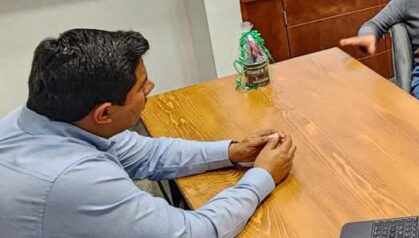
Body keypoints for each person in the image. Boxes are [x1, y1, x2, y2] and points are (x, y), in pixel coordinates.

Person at [0, 29, 296, 238]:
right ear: (104, 113)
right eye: (142, 87)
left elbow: (147, 153)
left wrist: (231, 151)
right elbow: (193, 233)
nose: (151, 88)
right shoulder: (75, 179)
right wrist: (262, 177)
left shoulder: (42, 117)